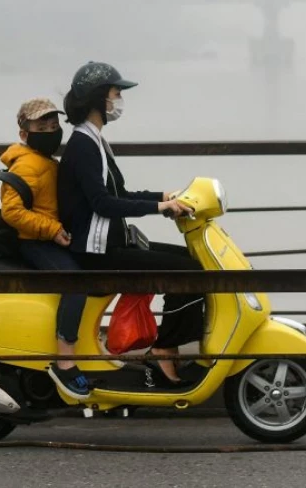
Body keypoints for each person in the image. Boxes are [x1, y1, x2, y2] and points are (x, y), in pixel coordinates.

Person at [56, 61, 204, 388]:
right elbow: (103, 204)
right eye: (115, 92)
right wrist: (159, 207)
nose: (119, 98)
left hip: (112, 243)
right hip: (96, 253)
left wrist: (166, 194)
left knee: (192, 262)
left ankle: (170, 345)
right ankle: (163, 349)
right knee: (188, 272)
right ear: (97, 98)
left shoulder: (94, 140)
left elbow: (118, 193)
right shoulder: (83, 145)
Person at [0, 97, 91, 400]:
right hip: (35, 243)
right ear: (24, 133)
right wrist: (52, 231)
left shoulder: (45, 161)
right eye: (42, 127)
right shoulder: (27, 164)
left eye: (54, 126)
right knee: (74, 283)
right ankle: (65, 362)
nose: (51, 131)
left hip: (51, 237)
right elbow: (11, 212)